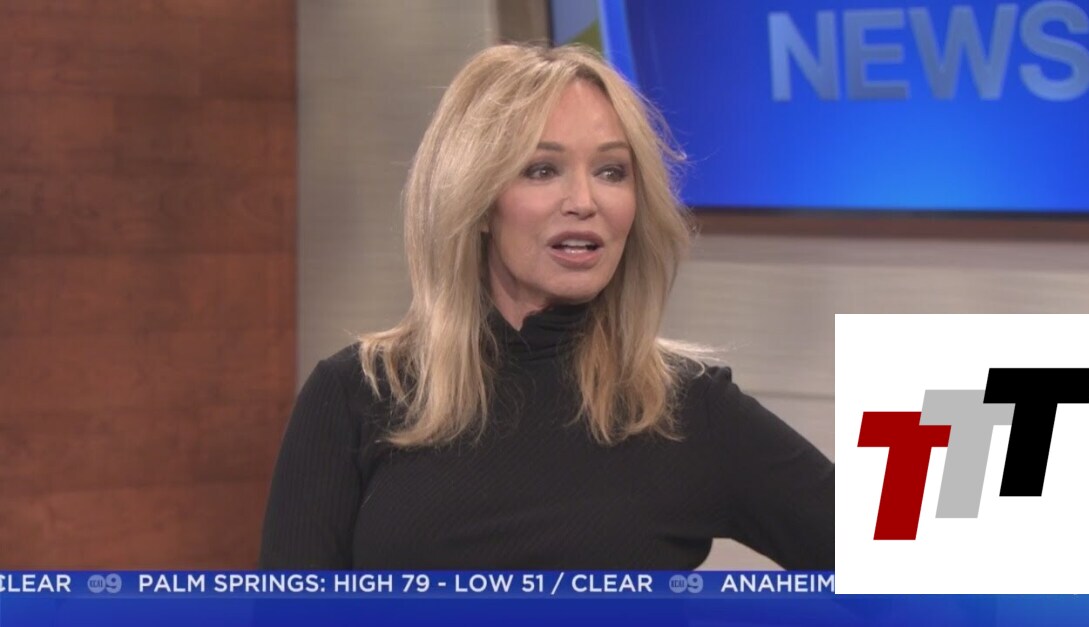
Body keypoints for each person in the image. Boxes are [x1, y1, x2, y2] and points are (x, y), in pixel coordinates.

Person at [260, 44, 834, 570]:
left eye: (611, 171)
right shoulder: (356, 394)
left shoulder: (685, 408)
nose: (584, 201)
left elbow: (891, 559)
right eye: (542, 170)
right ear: (477, 201)